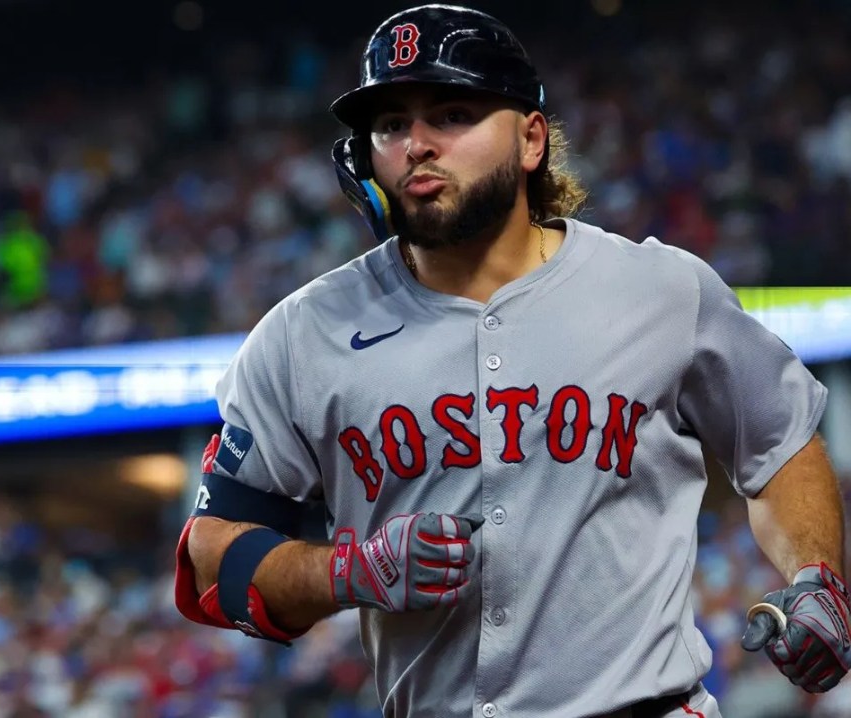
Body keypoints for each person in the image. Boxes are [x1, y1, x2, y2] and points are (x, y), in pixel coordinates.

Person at [174, 5, 850, 717]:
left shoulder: (662, 291)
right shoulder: (300, 336)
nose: (417, 144)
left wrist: (817, 574)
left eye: (453, 113)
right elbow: (211, 554)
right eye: (391, 125)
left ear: (531, 139)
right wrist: (347, 572)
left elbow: (780, 443)